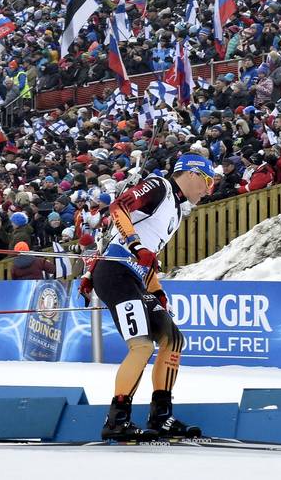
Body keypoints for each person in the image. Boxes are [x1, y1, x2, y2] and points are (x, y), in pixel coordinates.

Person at [79, 153, 216, 441]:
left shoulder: (177, 211)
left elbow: (147, 260)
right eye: (206, 181)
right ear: (191, 174)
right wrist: (135, 245)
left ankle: (162, 416)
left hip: (135, 278)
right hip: (116, 273)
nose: (208, 190)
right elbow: (118, 208)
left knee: (173, 338)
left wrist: (157, 291)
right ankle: (117, 420)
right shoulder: (159, 186)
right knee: (141, 346)